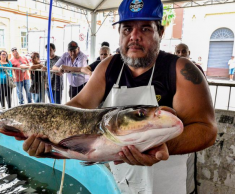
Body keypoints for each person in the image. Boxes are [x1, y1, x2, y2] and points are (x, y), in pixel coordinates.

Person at [19, 0, 217, 193]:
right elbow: (79, 105)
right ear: (119, 33)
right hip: (120, 181)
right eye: (127, 29)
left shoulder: (180, 70)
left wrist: (155, 145)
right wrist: (48, 137)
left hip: (167, 182)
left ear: (161, 32)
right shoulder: (108, 67)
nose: (134, 36)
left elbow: (206, 130)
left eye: (145, 28)